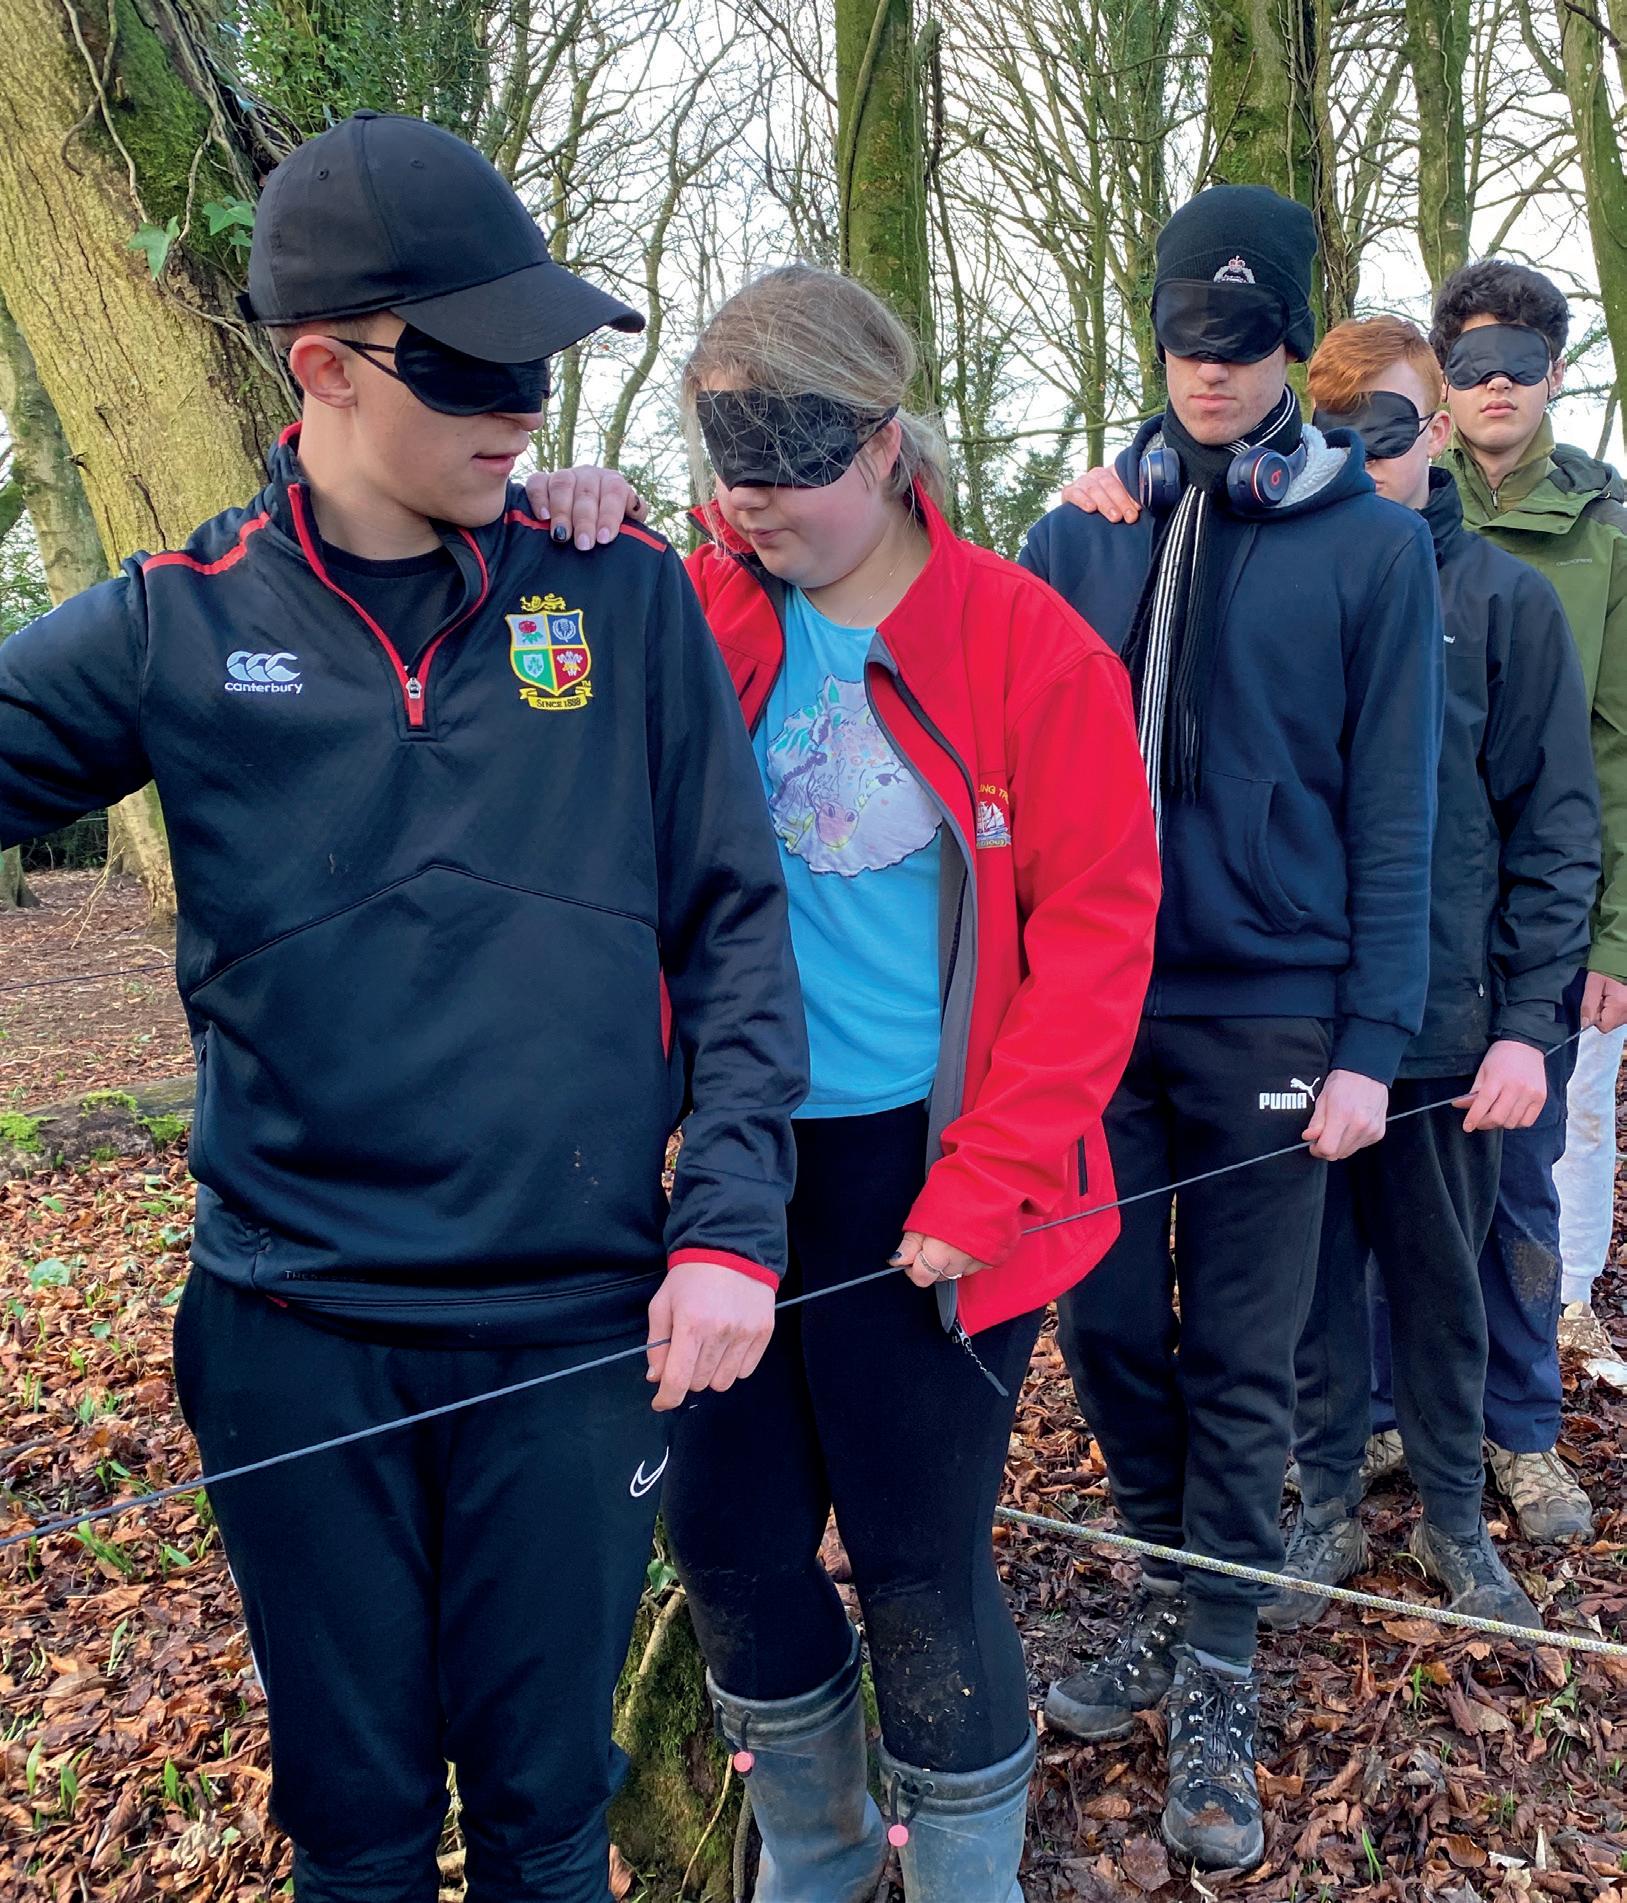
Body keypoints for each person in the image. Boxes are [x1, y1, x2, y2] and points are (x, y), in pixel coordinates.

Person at [0, 113, 810, 1903]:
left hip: (571, 1329)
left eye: (539, 364)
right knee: (356, 1828)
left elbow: (738, 928)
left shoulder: (617, 593)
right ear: (325, 368)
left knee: (547, 1814)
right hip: (296, 1328)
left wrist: (730, 1223)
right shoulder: (176, 623)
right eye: (470, 365)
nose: (522, 406)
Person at [530, 261, 1161, 1903]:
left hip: (931, 1169)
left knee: (914, 1553)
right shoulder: (695, 605)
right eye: (724, 466)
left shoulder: (1024, 646)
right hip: (730, 1162)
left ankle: (961, 1872)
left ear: (883, 444)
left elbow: (1095, 943)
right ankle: (811, 1854)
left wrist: (989, 1180)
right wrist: (559, 525)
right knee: (727, 1543)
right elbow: (537, 680)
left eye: (787, 466)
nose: (752, 504)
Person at [1019, 186, 1444, 1872]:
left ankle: (1213, 1662)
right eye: (1187, 343)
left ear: (1290, 344)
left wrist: (1371, 1040)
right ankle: (1166, 1580)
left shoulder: (1369, 545)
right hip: (1090, 1003)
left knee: (1243, 1349)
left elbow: (1398, 807)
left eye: (1247, 344)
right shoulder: (1078, 532)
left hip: (1273, 1002)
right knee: (1110, 1323)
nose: (1212, 374)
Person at [1265, 318, 1595, 1624]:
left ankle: (1456, 1517)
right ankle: (1327, 1502)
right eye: (1337, 437)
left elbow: (1554, 825)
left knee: (1449, 1281)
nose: (1365, 460)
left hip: (1454, 1025)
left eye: (1390, 432)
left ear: (1439, 430)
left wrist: (1525, 1024)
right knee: (1310, 1284)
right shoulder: (1279, 586)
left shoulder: (1504, 603)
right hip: (1302, 1018)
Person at [1433, 261, 1627, 1537]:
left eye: (1519, 361)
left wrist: (1615, 934)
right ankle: (1388, 1416)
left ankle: (1520, 1430)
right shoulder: (1384, 501)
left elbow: (1620, 747)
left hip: (1543, 922)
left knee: (1519, 1177)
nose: (1495, 385)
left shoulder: (1605, 535)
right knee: (1389, 1177)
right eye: (1470, 364)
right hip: (1403, 915)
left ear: (1555, 373)